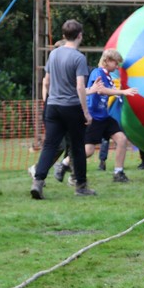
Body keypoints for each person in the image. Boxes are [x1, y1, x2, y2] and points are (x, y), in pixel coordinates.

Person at [30, 20, 101, 200]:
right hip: (71, 107)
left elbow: (47, 81)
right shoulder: (79, 58)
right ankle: (81, 186)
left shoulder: (54, 54)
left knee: (49, 145)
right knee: (77, 148)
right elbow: (80, 86)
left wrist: (50, 99)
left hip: (53, 106)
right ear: (80, 35)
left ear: (63, 36)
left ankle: (38, 181)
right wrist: (86, 112)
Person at [83, 48, 138, 182]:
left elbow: (110, 90)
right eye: (116, 63)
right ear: (107, 61)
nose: (117, 66)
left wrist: (119, 91)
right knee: (88, 150)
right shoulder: (98, 72)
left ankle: (118, 173)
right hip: (94, 117)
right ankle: (65, 163)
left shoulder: (107, 75)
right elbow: (101, 90)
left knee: (122, 139)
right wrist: (123, 92)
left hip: (104, 116)